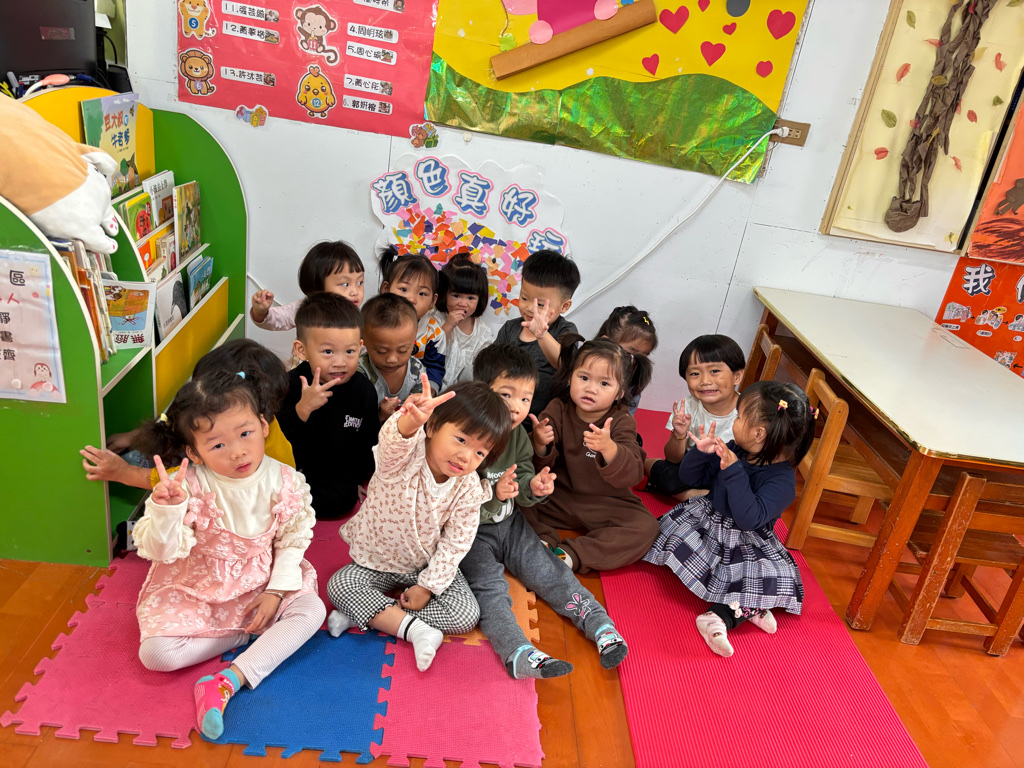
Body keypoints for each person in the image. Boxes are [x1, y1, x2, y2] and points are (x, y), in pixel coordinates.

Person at [132, 371, 323, 739]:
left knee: (312, 610)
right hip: (201, 586)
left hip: (262, 582)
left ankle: (228, 680)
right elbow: (160, 552)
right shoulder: (187, 484)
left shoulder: (285, 480)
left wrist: (276, 593)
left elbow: (292, 540)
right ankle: (249, 635)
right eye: (217, 444)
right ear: (193, 452)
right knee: (155, 654)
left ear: (263, 425)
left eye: (245, 433)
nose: (237, 451)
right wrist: (167, 510)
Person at [460, 344, 628, 680]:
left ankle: (599, 624)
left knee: (548, 570)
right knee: (490, 590)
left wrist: (533, 488)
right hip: (469, 532)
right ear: (481, 391)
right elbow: (450, 494)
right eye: (506, 395)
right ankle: (517, 652)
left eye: (525, 398)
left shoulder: (519, 437)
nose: (516, 407)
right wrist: (491, 494)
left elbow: (523, 475)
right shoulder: (466, 436)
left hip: (510, 523)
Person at [325, 377, 508, 671]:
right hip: (376, 561)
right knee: (340, 585)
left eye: (480, 452)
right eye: (461, 440)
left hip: (424, 565)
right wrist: (411, 421)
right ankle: (413, 629)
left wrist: (427, 586)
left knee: (465, 615)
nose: (466, 456)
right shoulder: (403, 457)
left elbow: (456, 542)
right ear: (432, 427)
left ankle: (369, 614)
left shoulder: (469, 487)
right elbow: (392, 441)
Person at [644, 380, 815, 658]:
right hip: (708, 522)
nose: (733, 422)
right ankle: (751, 605)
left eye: (738, 417)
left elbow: (748, 519)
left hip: (747, 541)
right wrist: (700, 453)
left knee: (780, 576)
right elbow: (689, 478)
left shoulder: (782, 482)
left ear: (759, 433)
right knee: (669, 537)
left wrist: (734, 470)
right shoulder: (737, 448)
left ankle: (720, 617)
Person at [81, 339, 295, 489]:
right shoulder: (247, 412)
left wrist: (124, 473)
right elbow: (172, 422)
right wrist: (134, 437)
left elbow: (179, 481)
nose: (238, 452)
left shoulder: (265, 464)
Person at [522, 336, 658, 573]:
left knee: (647, 527)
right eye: (584, 378)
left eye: (604, 383)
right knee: (516, 496)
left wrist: (610, 449)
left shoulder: (621, 420)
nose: (591, 388)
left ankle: (570, 555)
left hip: (605, 502)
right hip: (558, 497)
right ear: (570, 377)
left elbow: (634, 472)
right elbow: (535, 466)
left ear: (619, 392)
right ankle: (541, 540)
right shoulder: (557, 408)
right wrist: (541, 443)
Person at [276, 293, 379, 519]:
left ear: (360, 347)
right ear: (301, 350)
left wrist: (359, 479)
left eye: (350, 351)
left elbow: (368, 441)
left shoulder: (363, 391)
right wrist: (302, 410)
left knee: (342, 501)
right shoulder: (290, 385)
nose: (340, 362)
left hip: (338, 470)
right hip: (295, 468)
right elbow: (276, 440)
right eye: (328, 352)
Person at [644, 335, 746, 501]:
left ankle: (690, 495)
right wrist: (679, 434)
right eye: (695, 373)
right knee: (670, 479)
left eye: (714, 371)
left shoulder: (748, 411)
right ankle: (643, 462)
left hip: (726, 470)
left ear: (737, 376)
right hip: (692, 466)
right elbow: (673, 458)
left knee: (739, 488)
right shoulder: (688, 407)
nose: (705, 381)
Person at [495, 250, 580, 418]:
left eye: (540, 305)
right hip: (503, 413)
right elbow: (491, 365)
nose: (529, 308)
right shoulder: (510, 329)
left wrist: (542, 335)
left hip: (543, 419)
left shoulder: (565, 330)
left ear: (564, 306)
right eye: (524, 298)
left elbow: (566, 365)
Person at [250, 241, 365, 330]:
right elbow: (277, 319)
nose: (355, 292)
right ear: (318, 285)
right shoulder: (305, 309)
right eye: (345, 284)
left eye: (360, 282)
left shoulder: (359, 319)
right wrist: (261, 312)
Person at [378, 246, 445, 391]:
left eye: (422, 293)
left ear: (433, 301)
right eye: (403, 289)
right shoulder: (373, 321)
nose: (411, 299)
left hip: (414, 391)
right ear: (386, 289)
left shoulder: (433, 333)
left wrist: (429, 391)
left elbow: (434, 368)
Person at [357, 293, 425, 422]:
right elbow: (355, 420)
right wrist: (381, 415)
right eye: (381, 351)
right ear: (362, 339)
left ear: (415, 335)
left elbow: (418, 411)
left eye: (402, 350)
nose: (392, 359)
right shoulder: (360, 372)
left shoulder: (416, 370)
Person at [436, 253, 495, 387]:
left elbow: (483, 368)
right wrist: (448, 325)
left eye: (470, 298)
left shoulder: (482, 331)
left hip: (465, 390)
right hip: (435, 381)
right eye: (456, 296)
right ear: (444, 294)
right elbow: (432, 350)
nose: (463, 303)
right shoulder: (436, 318)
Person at [595, 305, 658, 416]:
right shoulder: (580, 370)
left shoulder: (633, 386)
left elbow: (627, 421)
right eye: (628, 354)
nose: (633, 362)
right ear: (604, 343)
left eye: (642, 357)